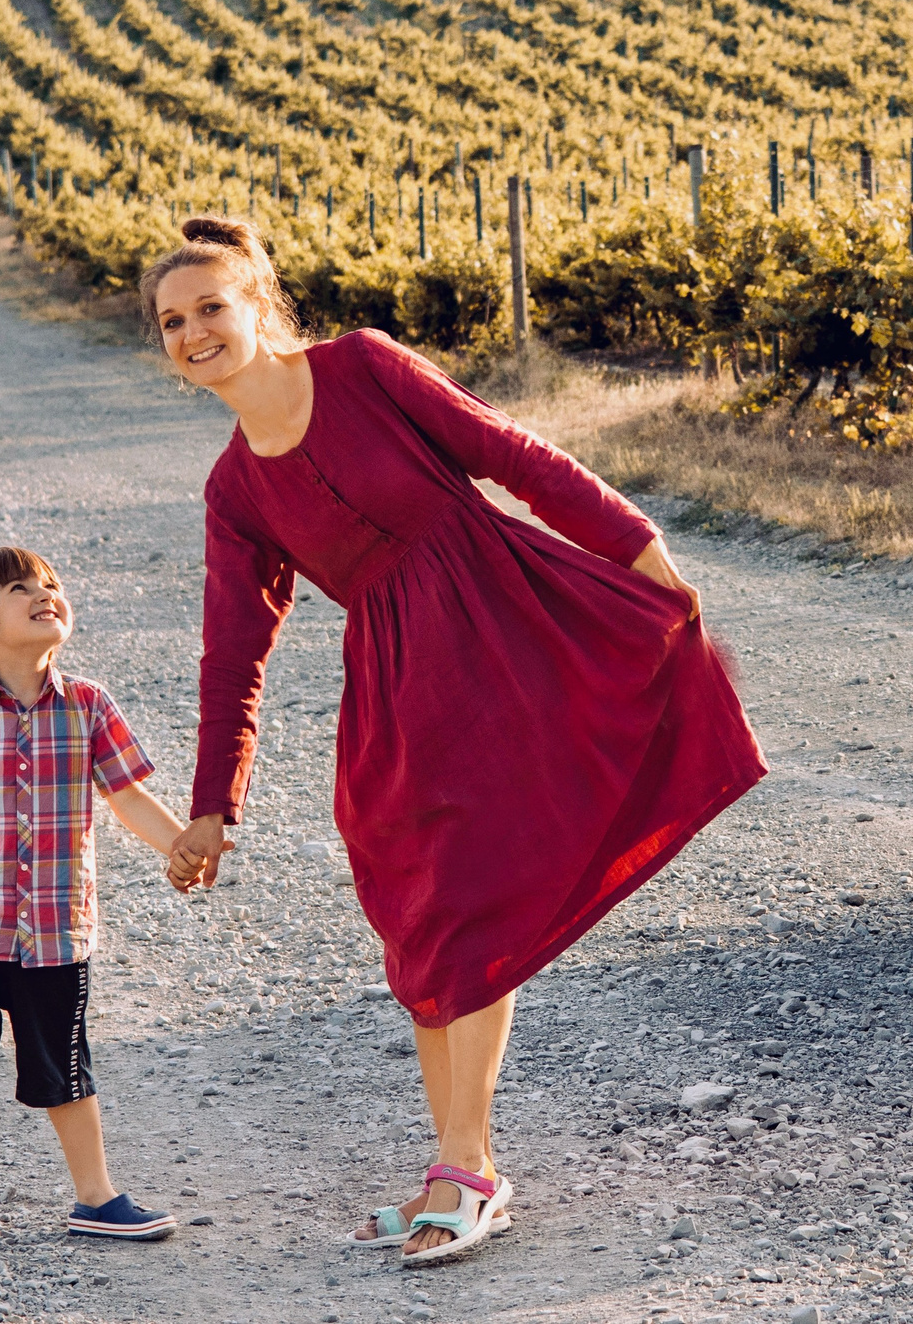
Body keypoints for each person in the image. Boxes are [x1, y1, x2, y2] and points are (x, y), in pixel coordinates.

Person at [148, 218, 765, 1266]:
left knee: (473, 897)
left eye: (212, 305)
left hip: (511, 620)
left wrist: (641, 553)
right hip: (398, 689)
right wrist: (214, 802)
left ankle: (464, 1167)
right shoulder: (234, 489)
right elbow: (232, 652)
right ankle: (453, 1157)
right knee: (422, 909)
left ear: (258, 299)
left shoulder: (363, 366)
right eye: (173, 320)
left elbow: (511, 454)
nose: (196, 330)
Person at [0, 545, 186, 1247]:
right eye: (21, 588)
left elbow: (128, 797)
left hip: (58, 935)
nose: (44, 594)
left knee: (67, 1065)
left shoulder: (88, 705)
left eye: (51, 585)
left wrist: (182, 844)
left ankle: (95, 1198)